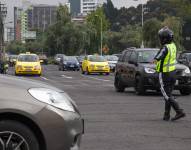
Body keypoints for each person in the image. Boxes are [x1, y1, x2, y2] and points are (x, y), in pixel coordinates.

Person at [153, 26, 186, 121]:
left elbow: (159, 56)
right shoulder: (173, 46)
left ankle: (179, 111)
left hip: (164, 74)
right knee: (169, 94)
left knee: (166, 95)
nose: (160, 39)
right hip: (173, 73)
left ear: (164, 39)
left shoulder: (165, 47)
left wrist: (155, 60)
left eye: (160, 37)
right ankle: (166, 115)